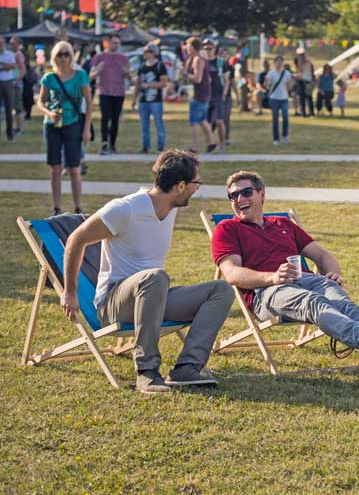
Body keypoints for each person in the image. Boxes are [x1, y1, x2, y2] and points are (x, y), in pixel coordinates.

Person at [213, 170, 359, 388]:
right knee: (313, 302)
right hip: (266, 291)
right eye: (233, 196)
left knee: (345, 305)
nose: (239, 200)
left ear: (261, 194)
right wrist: (273, 277)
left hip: (307, 280)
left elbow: (323, 255)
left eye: (246, 192)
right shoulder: (227, 229)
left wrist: (333, 273)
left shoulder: (282, 224)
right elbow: (232, 273)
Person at [61, 150, 234, 393]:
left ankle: (187, 367)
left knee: (221, 290)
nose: (198, 188)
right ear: (180, 185)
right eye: (196, 183)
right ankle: (147, 371)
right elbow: (75, 240)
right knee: (154, 277)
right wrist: (69, 292)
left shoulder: (171, 206)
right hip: (113, 305)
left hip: (152, 297)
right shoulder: (126, 209)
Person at [37, 40, 93, 214]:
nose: (63, 58)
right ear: (54, 57)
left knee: (74, 169)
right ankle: (56, 207)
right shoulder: (49, 78)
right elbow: (40, 102)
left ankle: (77, 207)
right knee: (55, 168)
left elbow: (89, 103)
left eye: (66, 54)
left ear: (71, 56)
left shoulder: (80, 75)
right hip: (52, 125)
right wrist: (48, 113)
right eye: (60, 54)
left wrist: (86, 128)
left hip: (73, 124)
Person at [90, 35, 133, 154]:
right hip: (105, 92)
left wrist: (127, 73)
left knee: (115, 119)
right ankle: (104, 143)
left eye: (118, 43)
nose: (116, 45)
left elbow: (130, 78)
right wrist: (97, 71)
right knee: (105, 118)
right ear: (107, 43)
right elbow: (91, 76)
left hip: (119, 93)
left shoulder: (123, 58)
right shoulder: (99, 57)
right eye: (114, 43)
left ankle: (112, 144)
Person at [133, 44, 168, 154]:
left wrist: (150, 85)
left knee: (158, 123)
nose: (145, 54)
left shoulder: (160, 66)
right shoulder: (142, 66)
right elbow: (138, 84)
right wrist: (134, 98)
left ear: (153, 53)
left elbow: (164, 83)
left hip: (156, 100)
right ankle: (145, 146)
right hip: (143, 100)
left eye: (147, 51)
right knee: (144, 124)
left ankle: (160, 147)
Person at [184, 37, 216, 153]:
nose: (186, 48)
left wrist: (187, 75)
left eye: (187, 46)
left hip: (199, 95)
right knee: (203, 120)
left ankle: (194, 147)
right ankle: (211, 143)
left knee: (195, 121)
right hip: (205, 94)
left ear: (192, 47)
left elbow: (198, 79)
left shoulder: (198, 60)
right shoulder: (202, 59)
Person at [202, 40, 226, 152]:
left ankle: (222, 145)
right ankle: (210, 145)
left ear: (214, 49)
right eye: (205, 48)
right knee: (206, 122)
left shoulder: (220, 62)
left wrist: (224, 93)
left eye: (210, 48)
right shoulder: (202, 62)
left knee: (220, 121)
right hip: (205, 96)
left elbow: (226, 80)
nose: (207, 51)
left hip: (218, 95)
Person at [265, 57, 293, 145]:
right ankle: (276, 139)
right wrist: (267, 83)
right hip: (274, 99)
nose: (279, 63)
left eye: (281, 62)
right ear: (274, 63)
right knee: (275, 119)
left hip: (284, 98)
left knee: (285, 118)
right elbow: (266, 85)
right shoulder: (271, 73)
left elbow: (289, 85)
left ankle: (285, 136)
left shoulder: (286, 73)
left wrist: (290, 83)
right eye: (277, 62)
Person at [0, 37, 20, 142]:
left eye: (2, 43)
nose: (1, 45)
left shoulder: (10, 54)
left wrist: (2, 64)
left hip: (8, 83)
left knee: (9, 110)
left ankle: (10, 135)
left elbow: (12, 66)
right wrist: (5, 66)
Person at [294, 48, 315, 117]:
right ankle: (303, 113)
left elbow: (312, 73)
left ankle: (311, 113)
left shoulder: (309, 63)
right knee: (301, 98)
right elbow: (298, 72)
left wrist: (312, 82)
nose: (301, 56)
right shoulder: (297, 62)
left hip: (308, 81)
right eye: (299, 55)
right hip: (300, 82)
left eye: (302, 54)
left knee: (309, 98)